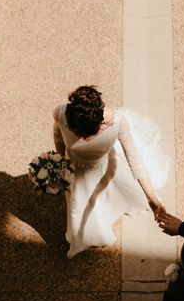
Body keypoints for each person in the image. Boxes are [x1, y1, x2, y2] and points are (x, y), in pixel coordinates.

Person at [53, 85, 169, 258]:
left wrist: (151, 197)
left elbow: (134, 159)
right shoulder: (61, 115)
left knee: (101, 199)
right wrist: (60, 162)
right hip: (77, 171)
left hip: (100, 169)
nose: (84, 138)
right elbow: (58, 137)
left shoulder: (115, 122)